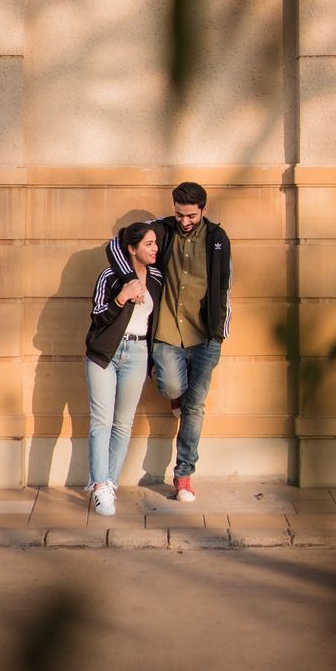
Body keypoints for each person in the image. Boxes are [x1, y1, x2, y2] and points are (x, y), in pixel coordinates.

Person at [107, 181, 232, 503]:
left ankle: (184, 475)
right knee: (173, 388)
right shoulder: (161, 229)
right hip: (165, 333)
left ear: (203, 209)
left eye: (191, 215)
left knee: (195, 407)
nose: (184, 221)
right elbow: (116, 244)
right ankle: (175, 398)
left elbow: (224, 287)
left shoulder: (217, 238)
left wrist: (219, 332)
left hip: (204, 336)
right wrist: (130, 280)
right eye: (179, 214)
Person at [83, 221, 163, 517]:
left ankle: (111, 482)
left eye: (155, 244)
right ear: (132, 249)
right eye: (148, 244)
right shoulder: (110, 276)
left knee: (124, 423)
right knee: (101, 421)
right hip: (105, 353)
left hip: (138, 352)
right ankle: (99, 486)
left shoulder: (156, 276)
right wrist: (122, 297)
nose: (155, 249)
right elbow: (98, 315)